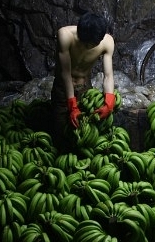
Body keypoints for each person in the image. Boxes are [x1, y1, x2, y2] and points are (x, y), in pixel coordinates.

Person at [50, 12, 116, 152]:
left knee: (87, 129)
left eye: (92, 44)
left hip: (85, 86)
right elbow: (65, 73)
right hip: (63, 87)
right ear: (80, 34)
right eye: (85, 43)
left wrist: (109, 99)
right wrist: (72, 104)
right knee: (60, 132)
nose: (87, 47)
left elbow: (108, 75)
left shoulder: (107, 42)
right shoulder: (65, 36)